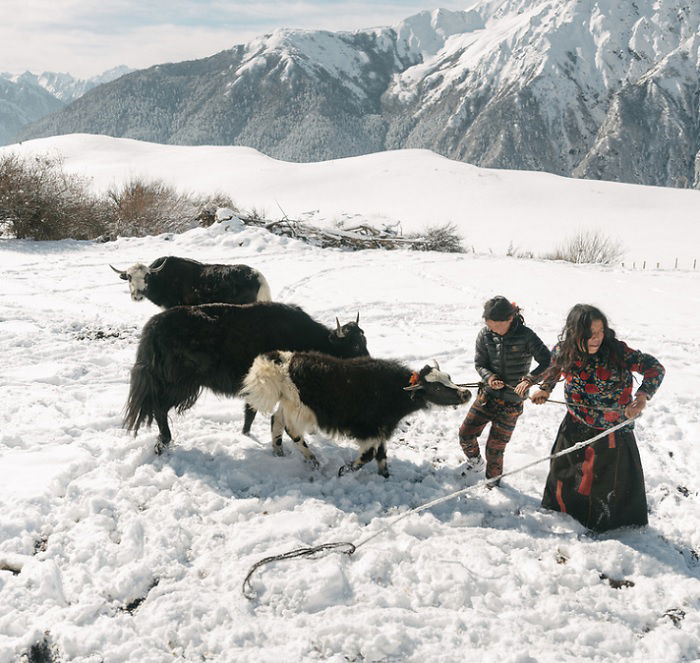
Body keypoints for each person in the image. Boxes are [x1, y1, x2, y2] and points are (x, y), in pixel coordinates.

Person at [532, 304, 665, 532]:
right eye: (590, 334)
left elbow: (655, 368)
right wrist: (545, 388)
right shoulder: (564, 350)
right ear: (575, 333)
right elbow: (555, 367)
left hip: (612, 430)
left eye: (600, 332)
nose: (597, 339)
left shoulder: (618, 352)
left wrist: (642, 397)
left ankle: (606, 528)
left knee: (604, 486)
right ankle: (567, 515)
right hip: (575, 423)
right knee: (564, 473)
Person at [458, 296, 551, 485]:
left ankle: (493, 484)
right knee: (465, 434)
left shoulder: (526, 336)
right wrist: (490, 378)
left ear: (509, 319)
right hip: (487, 397)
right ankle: (475, 462)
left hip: (512, 403)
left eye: (495, 324)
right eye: (488, 323)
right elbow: (480, 363)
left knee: (495, 448)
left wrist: (530, 380)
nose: (491, 328)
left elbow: (548, 361)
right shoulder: (484, 335)